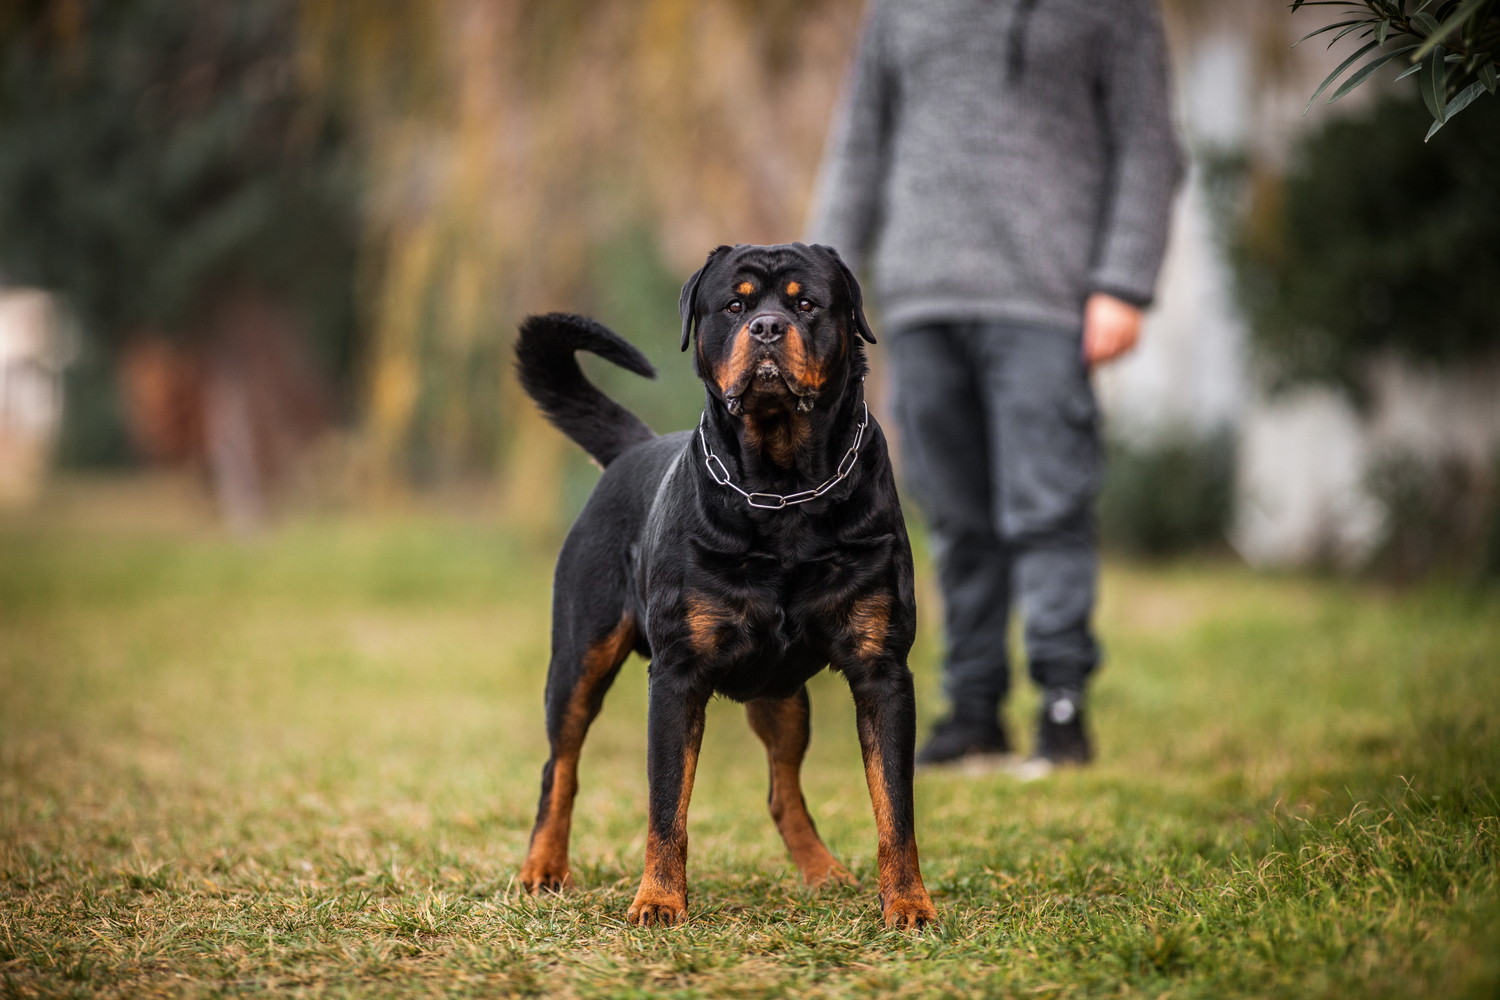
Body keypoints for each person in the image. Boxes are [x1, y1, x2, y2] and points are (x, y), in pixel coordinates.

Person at [806, 0, 1183, 770]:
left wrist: (1123, 282)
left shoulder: (1115, 13)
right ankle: (973, 710)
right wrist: (818, 296)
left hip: (1048, 301)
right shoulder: (899, 12)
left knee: (1047, 508)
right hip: (920, 302)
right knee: (951, 514)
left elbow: (1149, 146)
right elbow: (858, 150)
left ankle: (1061, 707)